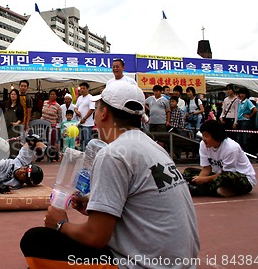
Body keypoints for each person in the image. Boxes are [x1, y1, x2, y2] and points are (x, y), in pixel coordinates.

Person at [20, 81, 199, 268]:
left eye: (97, 110)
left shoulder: (113, 153)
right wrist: (94, 204)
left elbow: (95, 237)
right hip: (181, 262)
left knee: (36, 240)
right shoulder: (153, 147)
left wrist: (60, 224)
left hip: (143, 264)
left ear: (103, 114)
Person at [183, 120, 257, 197]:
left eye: (206, 136)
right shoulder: (203, 145)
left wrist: (205, 180)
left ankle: (203, 189)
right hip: (218, 176)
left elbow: (227, 173)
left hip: (240, 178)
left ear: (216, 135)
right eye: (203, 135)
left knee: (225, 178)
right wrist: (199, 180)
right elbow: (206, 168)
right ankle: (209, 189)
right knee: (189, 172)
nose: (203, 139)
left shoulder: (231, 147)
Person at [234, 87, 257, 152]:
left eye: (243, 93)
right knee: (239, 138)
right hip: (239, 121)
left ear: (246, 94)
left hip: (245, 121)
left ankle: (246, 152)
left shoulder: (247, 101)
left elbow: (255, 110)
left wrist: (250, 116)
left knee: (245, 138)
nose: (241, 95)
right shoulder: (239, 102)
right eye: (240, 93)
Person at [74, 82, 95, 151]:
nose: (82, 90)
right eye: (81, 88)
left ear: (87, 89)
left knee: (87, 140)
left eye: (84, 88)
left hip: (87, 123)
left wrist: (84, 118)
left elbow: (91, 109)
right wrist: (77, 112)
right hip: (80, 122)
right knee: (81, 140)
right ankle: (83, 154)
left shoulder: (90, 98)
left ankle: (89, 154)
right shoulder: (79, 98)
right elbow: (75, 107)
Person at [3, 89, 24, 158]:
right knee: (4, 142)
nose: (13, 95)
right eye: (12, 94)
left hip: (14, 128)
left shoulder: (19, 107)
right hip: (5, 126)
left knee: (13, 142)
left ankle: (13, 157)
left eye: (14, 94)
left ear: (17, 96)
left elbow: (21, 118)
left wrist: (17, 123)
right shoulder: (5, 104)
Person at [40, 89, 62, 155]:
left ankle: (51, 154)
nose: (52, 95)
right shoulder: (45, 102)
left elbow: (59, 117)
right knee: (41, 140)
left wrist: (52, 121)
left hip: (51, 125)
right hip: (42, 124)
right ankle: (41, 154)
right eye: (51, 94)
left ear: (56, 96)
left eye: (54, 94)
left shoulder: (58, 106)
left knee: (51, 140)